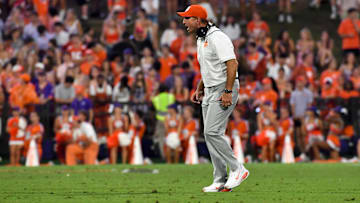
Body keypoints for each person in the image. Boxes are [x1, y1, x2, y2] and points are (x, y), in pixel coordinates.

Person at [178, 5, 249, 192]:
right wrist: (200, 87)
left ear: (199, 20)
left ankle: (237, 168)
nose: (184, 22)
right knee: (210, 135)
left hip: (224, 88)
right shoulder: (202, 39)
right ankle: (219, 179)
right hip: (210, 89)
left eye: (187, 18)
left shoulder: (218, 37)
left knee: (211, 132)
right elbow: (210, 67)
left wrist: (227, 91)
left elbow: (232, 64)